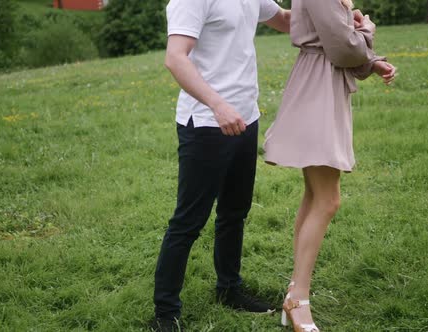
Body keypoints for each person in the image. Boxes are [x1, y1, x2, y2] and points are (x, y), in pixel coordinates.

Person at [153, 0, 290, 331]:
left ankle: (229, 289)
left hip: (246, 117)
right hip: (206, 122)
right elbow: (175, 58)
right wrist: (217, 104)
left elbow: (286, 21)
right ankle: (165, 312)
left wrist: (335, 13)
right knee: (188, 220)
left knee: (234, 212)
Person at [262, 0, 397, 331]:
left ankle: (295, 293)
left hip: (321, 85)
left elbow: (334, 41)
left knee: (314, 196)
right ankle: (298, 301)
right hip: (317, 92)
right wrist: (368, 30)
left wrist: (371, 62)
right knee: (327, 199)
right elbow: (341, 45)